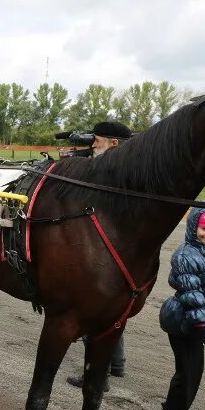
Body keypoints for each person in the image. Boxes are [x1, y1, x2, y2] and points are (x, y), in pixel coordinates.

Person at [67, 120, 132, 390]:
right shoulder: (132, 163)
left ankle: (98, 375)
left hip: (107, 248)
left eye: (97, 140)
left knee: (93, 311)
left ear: (114, 143)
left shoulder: (113, 168)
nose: (93, 144)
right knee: (113, 309)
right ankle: (117, 363)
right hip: (124, 250)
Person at [154, 208, 205, 410]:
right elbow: (190, 291)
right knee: (189, 372)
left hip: (199, 316)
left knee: (191, 370)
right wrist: (202, 320)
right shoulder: (186, 255)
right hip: (186, 320)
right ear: (194, 228)